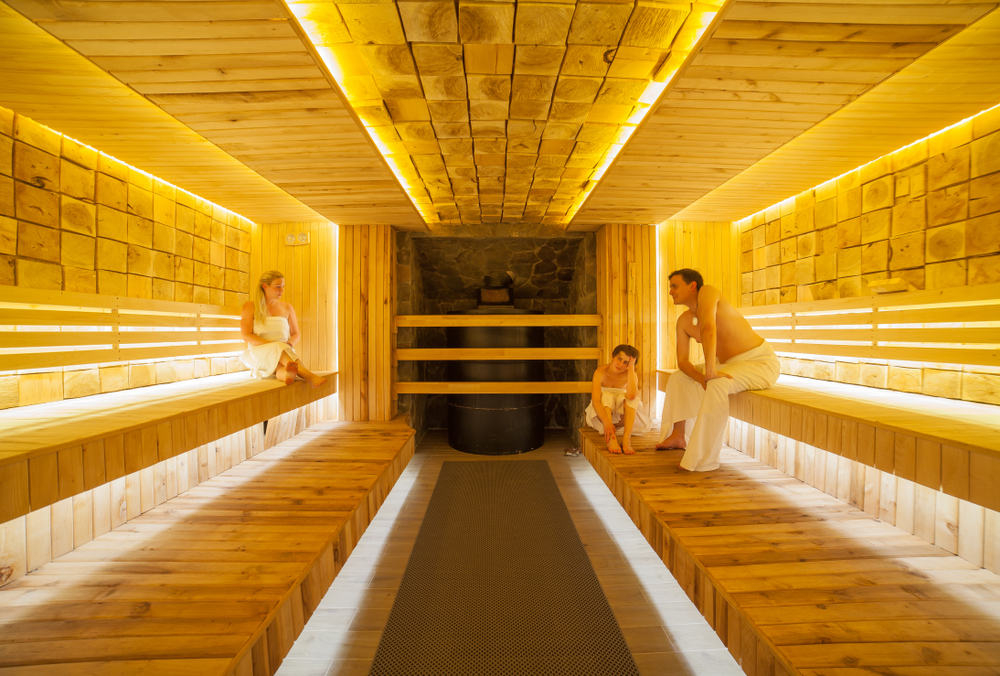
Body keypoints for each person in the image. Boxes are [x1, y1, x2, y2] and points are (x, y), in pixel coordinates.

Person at [655, 268, 779, 471]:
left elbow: (708, 328)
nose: (670, 291)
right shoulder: (684, 321)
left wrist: (710, 372)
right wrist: (701, 376)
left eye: (674, 286)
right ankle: (678, 435)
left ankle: (702, 458)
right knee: (678, 378)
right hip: (727, 364)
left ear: (692, 285)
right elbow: (683, 362)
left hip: (759, 362)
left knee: (717, 383)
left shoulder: (708, 292)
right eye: (670, 287)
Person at [240, 270, 327, 388]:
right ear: (265, 286)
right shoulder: (251, 306)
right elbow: (246, 335)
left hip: (285, 352)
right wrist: (273, 345)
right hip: (257, 352)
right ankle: (308, 375)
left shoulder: (287, 307)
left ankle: (287, 374)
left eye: (283, 287)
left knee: (281, 366)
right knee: (278, 348)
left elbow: (296, 334)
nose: (282, 291)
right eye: (278, 287)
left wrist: (289, 344)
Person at [585, 344, 652, 455]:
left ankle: (626, 439)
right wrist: (606, 421)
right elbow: (596, 400)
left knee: (632, 399)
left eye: (626, 362)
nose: (621, 365)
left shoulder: (631, 374)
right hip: (602, 415)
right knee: (606, 396)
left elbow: (631, 396)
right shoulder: (600, 372)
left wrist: (631, 369)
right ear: (612, 356)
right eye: (619, 359)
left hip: (622, 417)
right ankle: (612, 439)